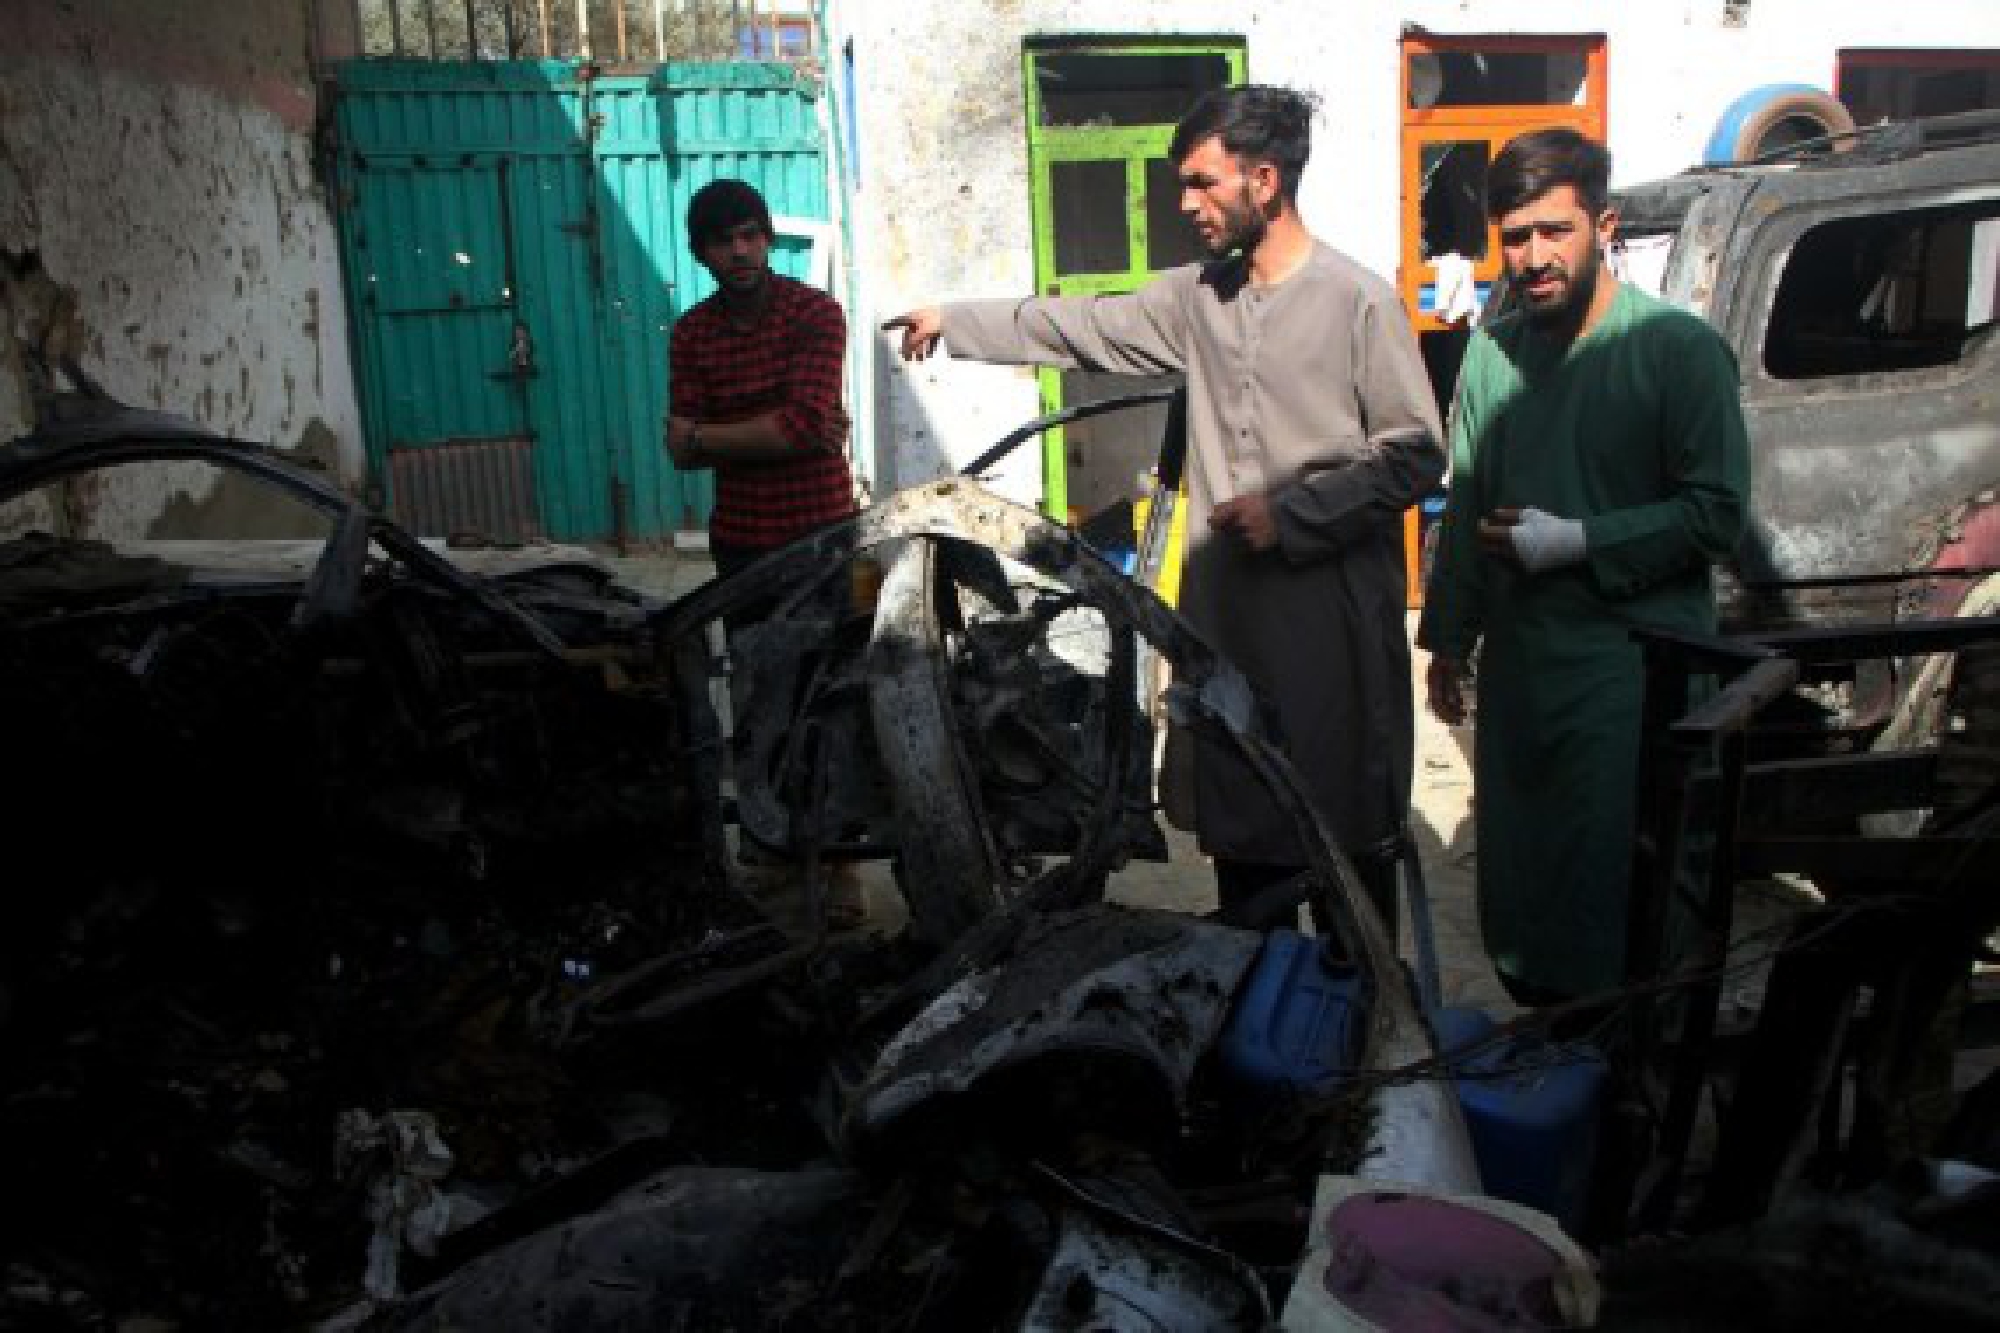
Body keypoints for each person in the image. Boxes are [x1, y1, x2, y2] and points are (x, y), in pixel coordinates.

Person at [886, 86, 1446, 930]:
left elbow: (1414, 453)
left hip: (1331, 629)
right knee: (1247, 853)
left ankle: (1359, 1040)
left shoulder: (1357, 300)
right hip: (1229, 627)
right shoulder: (1198, 299)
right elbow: (1082, 325)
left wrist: (1293, 512)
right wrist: (956, 321)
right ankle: (1261, 1042)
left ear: (1264, 179)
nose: (1186, 205)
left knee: (1341, 857)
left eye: (1202, 182)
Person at [1417, 128, 1751, 1006]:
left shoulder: (1678, 352)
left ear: (1601, 225)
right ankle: (1551, 1049)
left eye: (1553, 232)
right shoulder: (1494, 354)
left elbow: (1716, 513)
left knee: (1620, 876)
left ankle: (1626, 1061)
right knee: (1527, 872)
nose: (1532, 258)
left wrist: (1580, 540)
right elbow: (1469, 504)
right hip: (1527, 669)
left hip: (1633, 673)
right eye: (1515, 236)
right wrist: (1446, 638)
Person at [665, 178, 863, 926]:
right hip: (742, 544)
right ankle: (771, 856)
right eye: (723, 240)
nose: (740, 251)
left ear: (768, 239)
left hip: (819, 537)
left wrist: (712, 435)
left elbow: (804, 426)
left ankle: (838, 866)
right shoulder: (693, 333)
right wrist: (764, 431)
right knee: (757, 698)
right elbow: (677, 451)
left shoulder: (816, 313)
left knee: (828, 695)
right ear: (703, 252)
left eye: (751, 234)